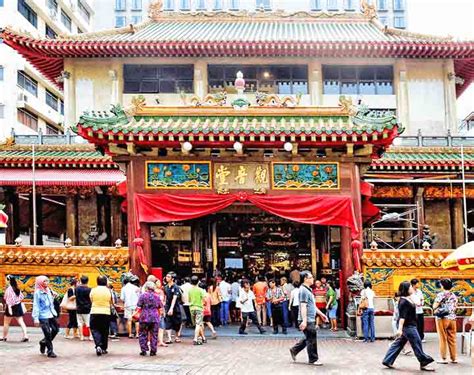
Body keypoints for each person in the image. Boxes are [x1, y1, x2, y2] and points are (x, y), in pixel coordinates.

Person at [382, 281, 434, 371]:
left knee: (399, 343)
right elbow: (402, 317)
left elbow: (418, 303)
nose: (412, 288)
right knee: (417, 342)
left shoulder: (408, 298)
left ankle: (388, 360)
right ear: (406, 289)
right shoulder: (403, 302)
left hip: (410, 324)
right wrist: (400, 329)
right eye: (410, 287)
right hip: (408, 326)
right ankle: (424, 362)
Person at [289, 271, 328, 366]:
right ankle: (313, 359)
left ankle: (294, 350)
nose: (313, 279)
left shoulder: (308, 289)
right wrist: (304, 321)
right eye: (311, 277)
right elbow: (303, 306)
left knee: (309, 337)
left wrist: (321, 314)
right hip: (307, 319)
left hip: (310, 318)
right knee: (311, 339)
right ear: (305, 279)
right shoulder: (303, 290)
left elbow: (312, 306)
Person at [32, 276, 59, 358]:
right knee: (47, 333)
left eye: (47, 281)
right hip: (43, 315)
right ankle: (50, 351)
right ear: (40, 283)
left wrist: (55, 295)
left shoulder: (49, 290)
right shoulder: (37, 293)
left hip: (51, 313)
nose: (47, 283)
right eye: (44, 281)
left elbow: (51, 300)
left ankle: (43, 342)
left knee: (56, 329)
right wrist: (36, 318)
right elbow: (36, 305)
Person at [433, 278, 458, 364]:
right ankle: (454, 358)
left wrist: (436, 307)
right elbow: (455, 306)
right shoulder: (454, 295)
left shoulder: (441, 294)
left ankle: (443, 358)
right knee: (452, 338)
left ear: (442, 286)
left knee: (442, 338)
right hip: (453, 318)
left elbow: (434, 306)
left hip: (442, 318)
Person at [137, 281, 163, 356]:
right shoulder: (157, 296)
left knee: (142, 333)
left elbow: (139, 305)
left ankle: (143, 350)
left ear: (146, 287)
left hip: (144, 317)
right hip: (154, 317)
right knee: (154, 334)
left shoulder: (142, 296)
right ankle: (153, 350)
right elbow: (160, 306)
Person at [90, 275, 112, 356]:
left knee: (95, 329)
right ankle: (104, 348)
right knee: (105, 330)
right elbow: (111, 301)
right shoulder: (108, 290)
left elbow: (91, 300)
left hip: (95, 311)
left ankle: (98, 344)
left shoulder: (93, 290)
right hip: (106, 312)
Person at [2, 275, 28, 342]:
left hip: (10, 307)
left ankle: (4, 337)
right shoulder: (17, 288)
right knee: (21, 322)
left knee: (6, 323)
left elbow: (6, 299)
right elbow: (22, 297)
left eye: (6, 279)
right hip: (18, 306)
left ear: (8, 280)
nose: (5, 280)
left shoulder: (8, 290)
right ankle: (25, 335)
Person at [164, 272, 183, 343]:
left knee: (177, 322)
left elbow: (174, 298)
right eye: (166, 276)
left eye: (168, 277)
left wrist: (171, 308)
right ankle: (169, 338)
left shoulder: (176, 287)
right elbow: (165, 298)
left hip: (175, 307)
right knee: (168, 322)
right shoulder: (165, 287)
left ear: (172, 278)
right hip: (167, 306)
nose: (167, 278)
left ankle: (177, 336)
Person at [188, 276, 207, 345]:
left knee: (197, 324)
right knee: (198, 324)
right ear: (198, 282)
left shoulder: (190, 290)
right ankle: (195, 338)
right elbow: (205, 299)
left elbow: (189, 300)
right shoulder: (200, 290)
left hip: (192, 308)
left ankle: (202, 337)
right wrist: (204, 304)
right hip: (199, 308)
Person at [75, 275, 93, 341]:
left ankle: (81, 336)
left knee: (80, 323)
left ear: (81, 281)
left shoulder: (76, 288)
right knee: (89, 323)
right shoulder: (89, 289)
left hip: (79, 308)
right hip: (87, 308)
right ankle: (90, 336)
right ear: (87, 281)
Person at [155, 278, 168, 347]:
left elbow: (164, 301)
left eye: (159, 282)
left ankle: (161, 341)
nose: (159, 284)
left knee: (161, 326)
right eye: (157, 283)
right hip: (155, 311)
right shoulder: (154, 292)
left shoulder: (162, 291)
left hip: (161, 310)